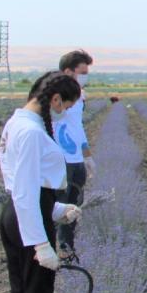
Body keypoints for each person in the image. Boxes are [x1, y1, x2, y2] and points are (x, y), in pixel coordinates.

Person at [0, 71, 83, 293]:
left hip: (19, 214)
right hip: (26, 218)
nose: (64, 113)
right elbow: (25, 192)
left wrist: (57, 210)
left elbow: (23, 186)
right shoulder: (32, 132)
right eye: (66, 106)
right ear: (55, 99)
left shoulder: (16, 124)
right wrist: (41, 244)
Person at [54, 50, 94, 259]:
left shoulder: (80, 96)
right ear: (68, 71)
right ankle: (51, 250)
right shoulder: (54, 94)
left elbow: (77, 126)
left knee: (74, 207)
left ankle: (67, 249)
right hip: (60, 158)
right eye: (82, 72)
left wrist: (86, 156)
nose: (85, 76)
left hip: (76, 158)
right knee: (58, 206)